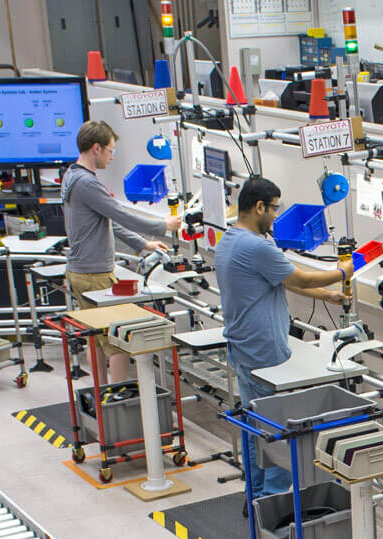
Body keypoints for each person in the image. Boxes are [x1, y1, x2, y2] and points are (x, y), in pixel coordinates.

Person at [215, 177, 354, 500]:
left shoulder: (230, 239)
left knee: (255, 427)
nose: (276, 216)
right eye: (274, 208)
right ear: (259, 206)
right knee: (278, 430)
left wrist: (327, 296)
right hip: (264, 354)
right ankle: (275, 502)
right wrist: (345, 270)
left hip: (243, 348)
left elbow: (283, 282)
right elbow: (299, 277)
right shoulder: (256, 245)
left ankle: (258, 497)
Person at [62, 120, 181, 382]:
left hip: (81, 270)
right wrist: (164, 225)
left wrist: (143, 244)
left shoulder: (71, 176)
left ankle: (102, 395)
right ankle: (116, 400)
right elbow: (120, 215)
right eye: (110, 151)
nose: (112, 157)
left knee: (95, 336)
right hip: (94, 274)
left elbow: (108, 221)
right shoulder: (87, 184)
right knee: (118, 341)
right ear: (96, 148)